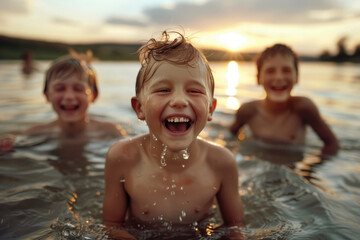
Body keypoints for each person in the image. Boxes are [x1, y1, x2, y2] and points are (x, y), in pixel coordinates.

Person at [102, 31, 245, 239]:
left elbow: (235, 228)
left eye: (194, 91)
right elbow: (112, 226)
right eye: (163, 90)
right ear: (139, 108)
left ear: (211, 109)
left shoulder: (222, 163)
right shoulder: (121, 158)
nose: (179, 100)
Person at [0, 51, 123, 153]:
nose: (69, 96)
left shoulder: (111, 132)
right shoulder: (35, 133)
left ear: (94, 95)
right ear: (47, 95)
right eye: (60, 88)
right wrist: (8, 144)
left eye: (78, 89)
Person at [230, 43, 338, 155]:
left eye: (286, 70)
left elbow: (332, 144)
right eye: (270, 71)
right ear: (258, 78)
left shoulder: (304, 108)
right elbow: (230, 138)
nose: (279, 77)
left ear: (297, 77)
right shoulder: (248, 111)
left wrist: (310, 169)